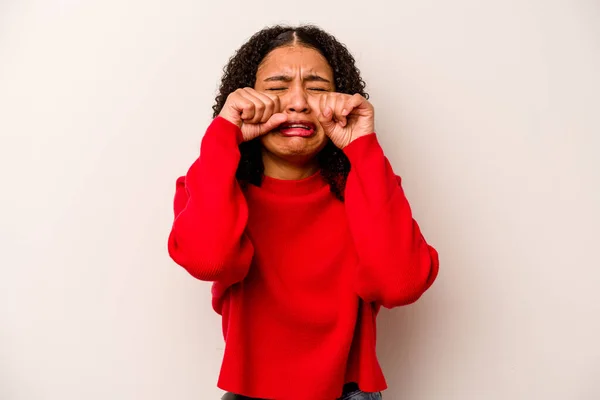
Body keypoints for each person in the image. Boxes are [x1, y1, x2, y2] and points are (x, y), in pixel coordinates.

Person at [168, 25, 439, 400]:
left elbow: (400, 285)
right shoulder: (212, 187)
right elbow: (210, 261)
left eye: (316, 87)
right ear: (246, 97)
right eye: (277, 88)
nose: (297, 102)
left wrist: (362, 146)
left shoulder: (368, 186)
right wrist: (223, 132)